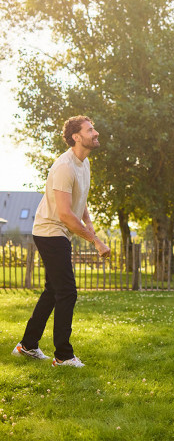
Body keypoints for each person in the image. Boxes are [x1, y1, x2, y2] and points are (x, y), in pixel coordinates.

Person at [12, 115, 110, 367]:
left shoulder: (83, 163)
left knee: (54, 291)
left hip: (59, 232)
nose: (96, 132)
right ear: (77, 137)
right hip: (50, 231)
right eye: (91, 130)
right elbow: (65, 214)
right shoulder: (64, 166)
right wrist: (96, 241)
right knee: (67, 291)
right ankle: (63, 356)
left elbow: (80, 199)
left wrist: (88, 221)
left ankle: (27, 345)